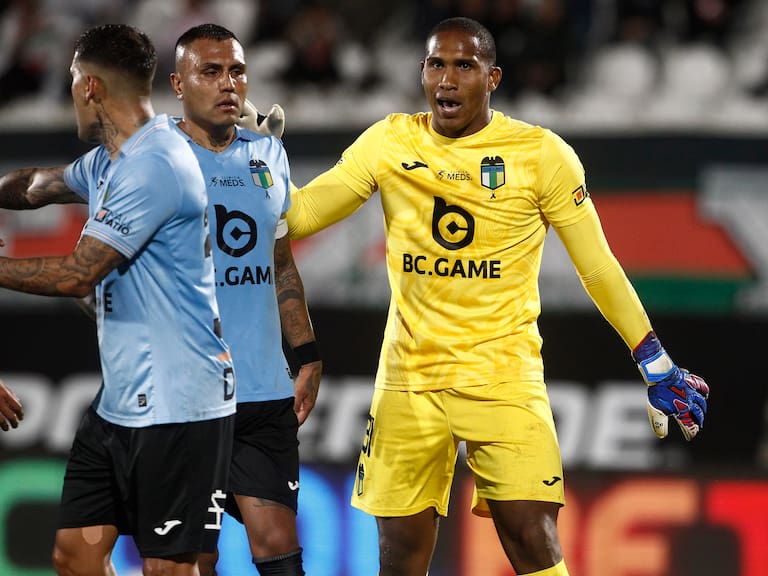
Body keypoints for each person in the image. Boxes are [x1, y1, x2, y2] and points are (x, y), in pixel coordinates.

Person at [286, 16, 710, 576]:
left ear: (493, 78)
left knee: (532, 537)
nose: (447, 79)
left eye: (464, 66)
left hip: (504, 376)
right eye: (436, 64)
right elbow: (300, 216)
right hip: (409, 381)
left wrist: (655, 363)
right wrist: (255, 164)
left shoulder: (540, 154)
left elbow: (598, 268)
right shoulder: (389, 141)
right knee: (400, 556)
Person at [0, 24, 236, 575]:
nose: (70, 94)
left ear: (90, 86)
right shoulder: (111, 160)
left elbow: (77, 275)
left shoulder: (155, 165)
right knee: (75, 556)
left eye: (71, 80)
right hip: (121, 403)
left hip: (181, 404)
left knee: (167, 569)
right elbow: (35, 185)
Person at [168, 24, 321, 576]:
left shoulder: (268, 153)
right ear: (178, 83)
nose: (228, 83)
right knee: (195, 558)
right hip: (185, 397)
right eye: (210, 71)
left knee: (279, 550)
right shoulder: (155, 157)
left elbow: (280, 263)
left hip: (263, 392)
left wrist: (307, 354)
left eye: (236, 71)